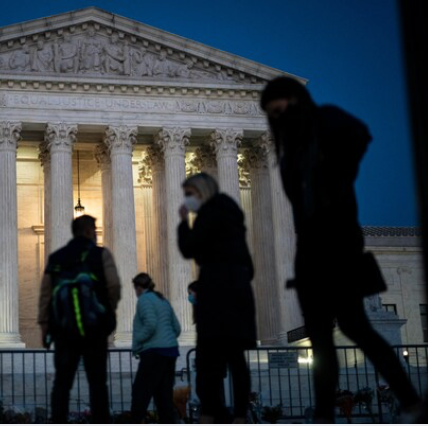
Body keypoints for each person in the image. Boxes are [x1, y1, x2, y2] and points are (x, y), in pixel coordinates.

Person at [261, 76, 422, 422]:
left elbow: (360, 134)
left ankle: (409, 396)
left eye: (282, 109)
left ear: (296, 101)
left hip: (340, 246)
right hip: (310, 255)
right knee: (321, 341)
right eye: (273, 115)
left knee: (355, 327)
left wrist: (337, 170)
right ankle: (323, 416)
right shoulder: (289, 156)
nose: (280, 119)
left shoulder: (325, 127)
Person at [177, 172, 257, 423]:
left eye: (189, 194)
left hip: (216, 297)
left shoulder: (210, 213)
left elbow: (189, 248)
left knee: (207, 360)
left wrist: (183, 222)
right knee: (234, 358)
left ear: (201, 191)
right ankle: (239, 414)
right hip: (238, 294)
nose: (188, 199)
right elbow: (249, 265)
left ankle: (212, 413)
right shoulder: (232, 213)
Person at [38, 215, 121, 424]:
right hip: (94, 329)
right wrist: (107, 311)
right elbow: (113, 286)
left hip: (64, 330)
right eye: (94, 229)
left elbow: (45, 294)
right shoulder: (100, 254)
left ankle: (58, 421)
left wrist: (45, 325)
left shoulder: (57, 257)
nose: (95, 233)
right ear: (87, 231)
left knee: (62, 383)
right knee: (98, 383)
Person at [130, 272, 181, 423]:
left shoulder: (144, 300)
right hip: (170, 352)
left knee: (140, 395)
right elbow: (177, 328)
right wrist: (166, 339)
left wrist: (138, 341)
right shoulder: (162, 300)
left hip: (153, 353)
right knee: (163, 396)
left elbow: (150, 324)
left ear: (138, 287)